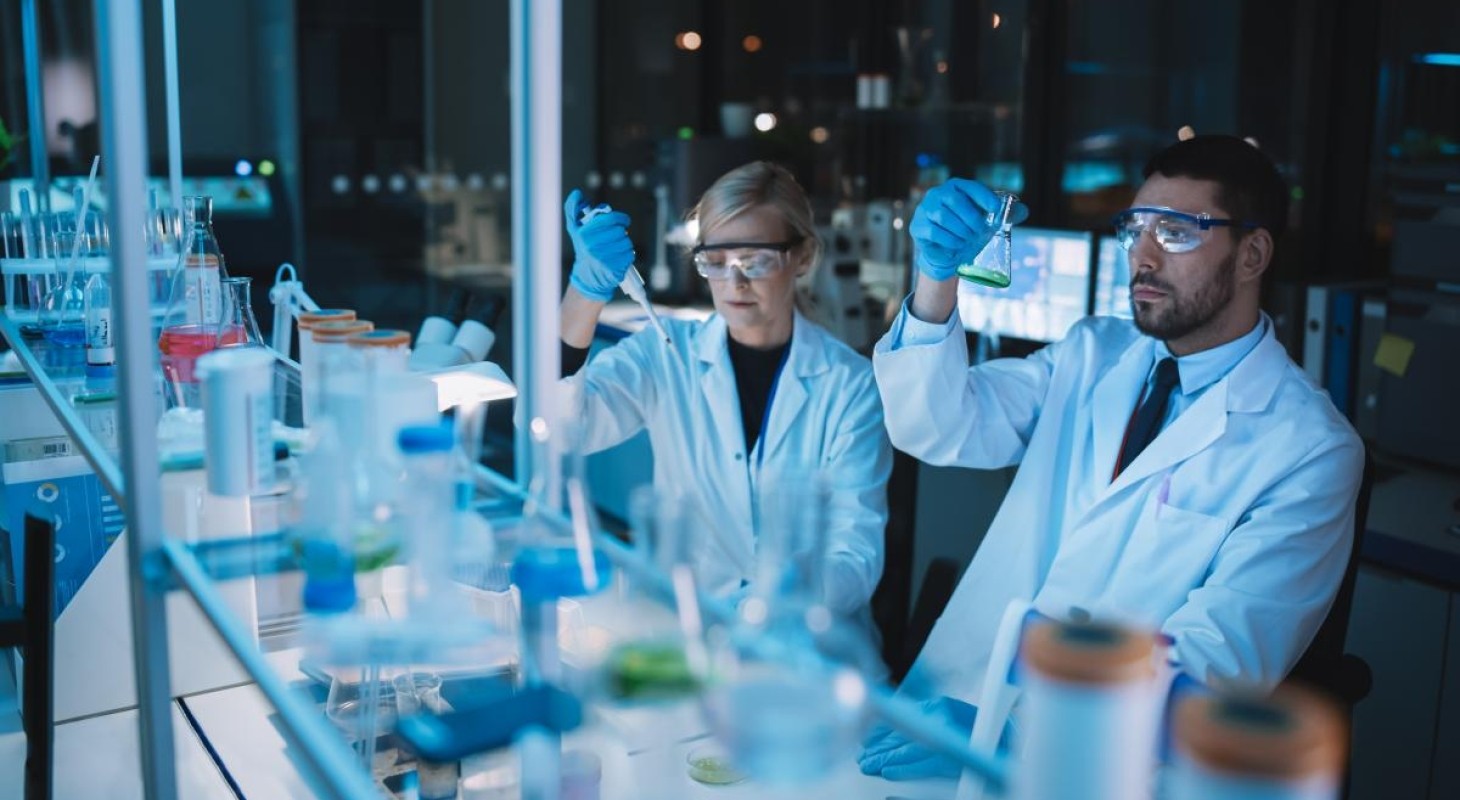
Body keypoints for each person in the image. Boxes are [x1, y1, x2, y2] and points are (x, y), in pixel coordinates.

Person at [860, 135, 1364, 779]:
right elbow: (937, 427)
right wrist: (936, 279)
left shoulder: (1310, 451)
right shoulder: (1092, 352)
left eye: (1177, 232)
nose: (1143, 258)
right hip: (946, 722)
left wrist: (1011, 731)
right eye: (1135, 230)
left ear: (1253, 253)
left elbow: (1217, 662)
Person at [557, 161, 892, 616]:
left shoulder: (851, 387)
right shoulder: (665, 356)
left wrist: (767, 606)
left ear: (804, 257)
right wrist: (585, 292)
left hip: (803, 652)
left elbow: (856, 559)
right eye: (715, 262)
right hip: (690, 638)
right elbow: (557, 430)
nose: (733, 282)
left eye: (755, 261)